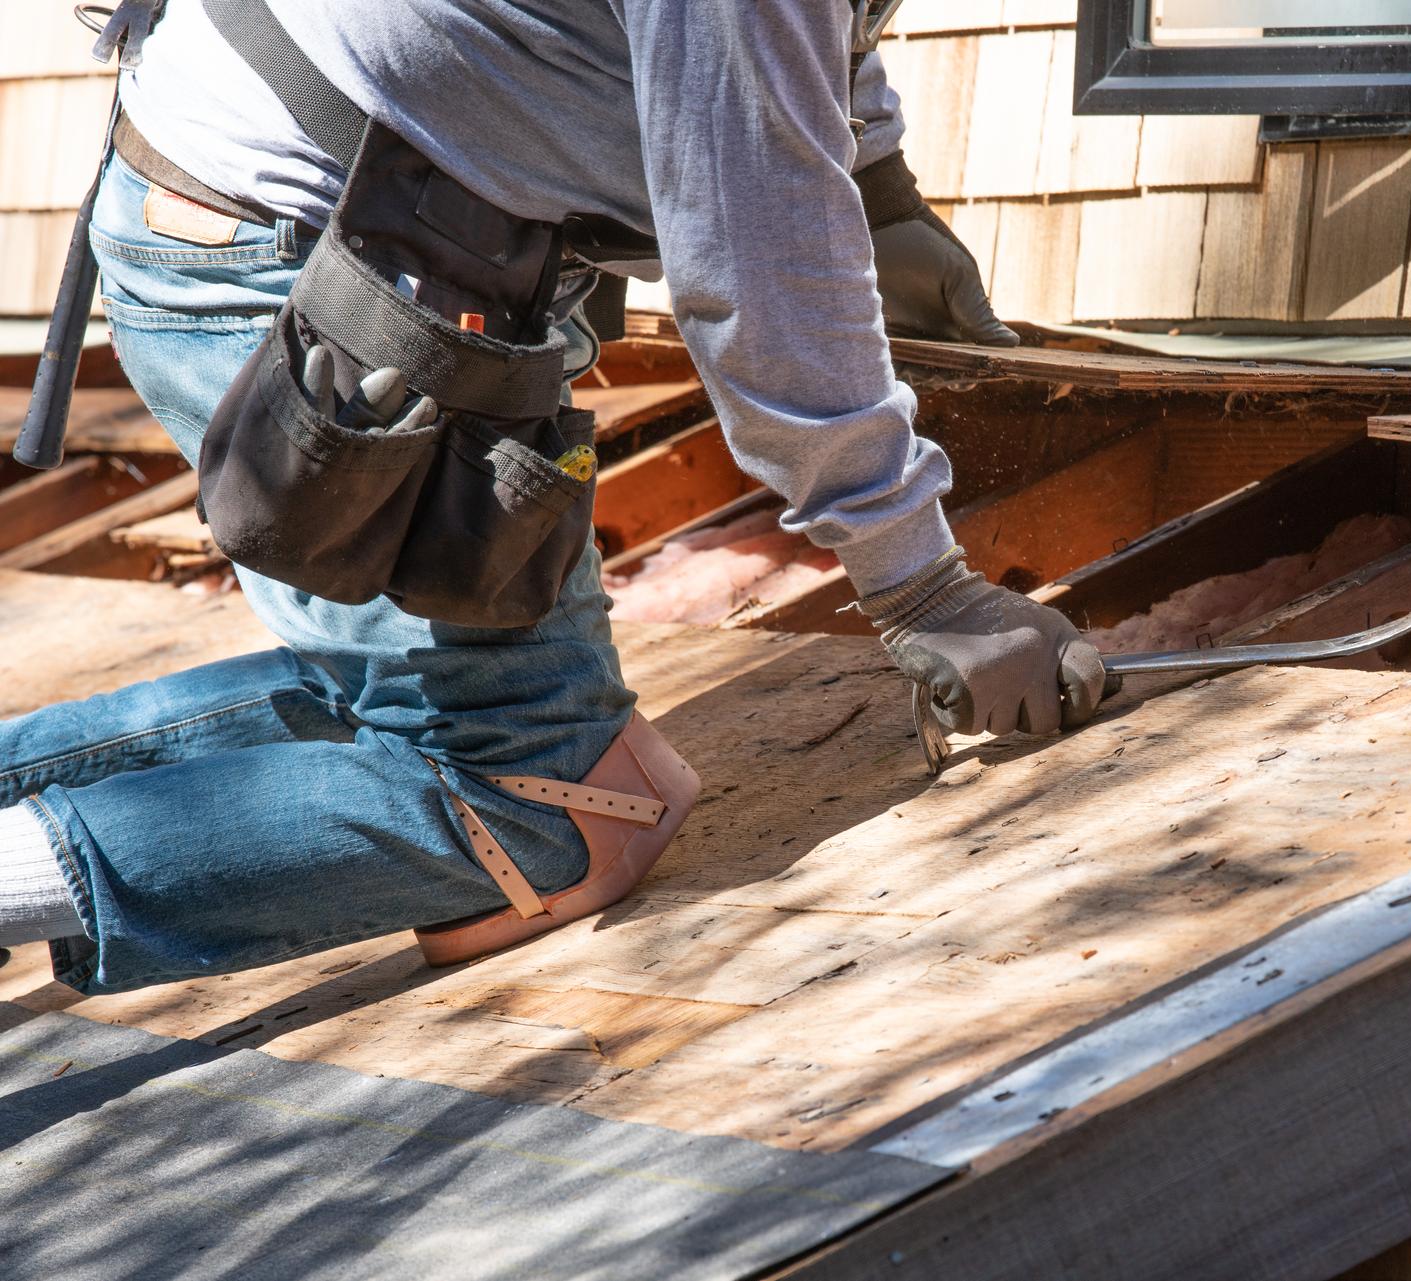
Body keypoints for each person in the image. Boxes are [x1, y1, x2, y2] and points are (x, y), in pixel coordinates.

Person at [0, 0, 1104, 995]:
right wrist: (925, 592)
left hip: (333, 208)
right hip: (297, 256)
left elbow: (805, 34)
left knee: (405, 688)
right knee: (550, 799)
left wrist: (880, 190)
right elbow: (754, 264)